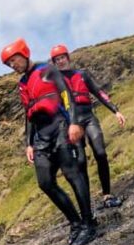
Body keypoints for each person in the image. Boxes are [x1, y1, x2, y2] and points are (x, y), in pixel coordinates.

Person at [1, 38, 97, 245]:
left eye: (14, 60)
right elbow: (28, 114)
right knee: (45, 182)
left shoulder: (48, 70)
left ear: (24, 54)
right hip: (41, 137)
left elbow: (67, 96)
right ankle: (76, 224)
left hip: (61, 127)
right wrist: (28, 143)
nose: (12, 66)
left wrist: (73, 123)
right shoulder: (22, 84)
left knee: (73, 174)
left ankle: (89, 223)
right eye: (9, 64)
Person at [50, 44, 126, 208]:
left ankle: (107, 195)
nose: (60, 61)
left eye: (62, 57)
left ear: (67, 58)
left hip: (88, 117)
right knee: (81, 162)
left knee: (100, 153)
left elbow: (98, 93)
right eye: (57, 60)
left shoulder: (82, 74)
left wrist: (116, 111)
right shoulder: (55, 81)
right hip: (72, 122)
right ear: (55, 63)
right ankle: (87, 204)